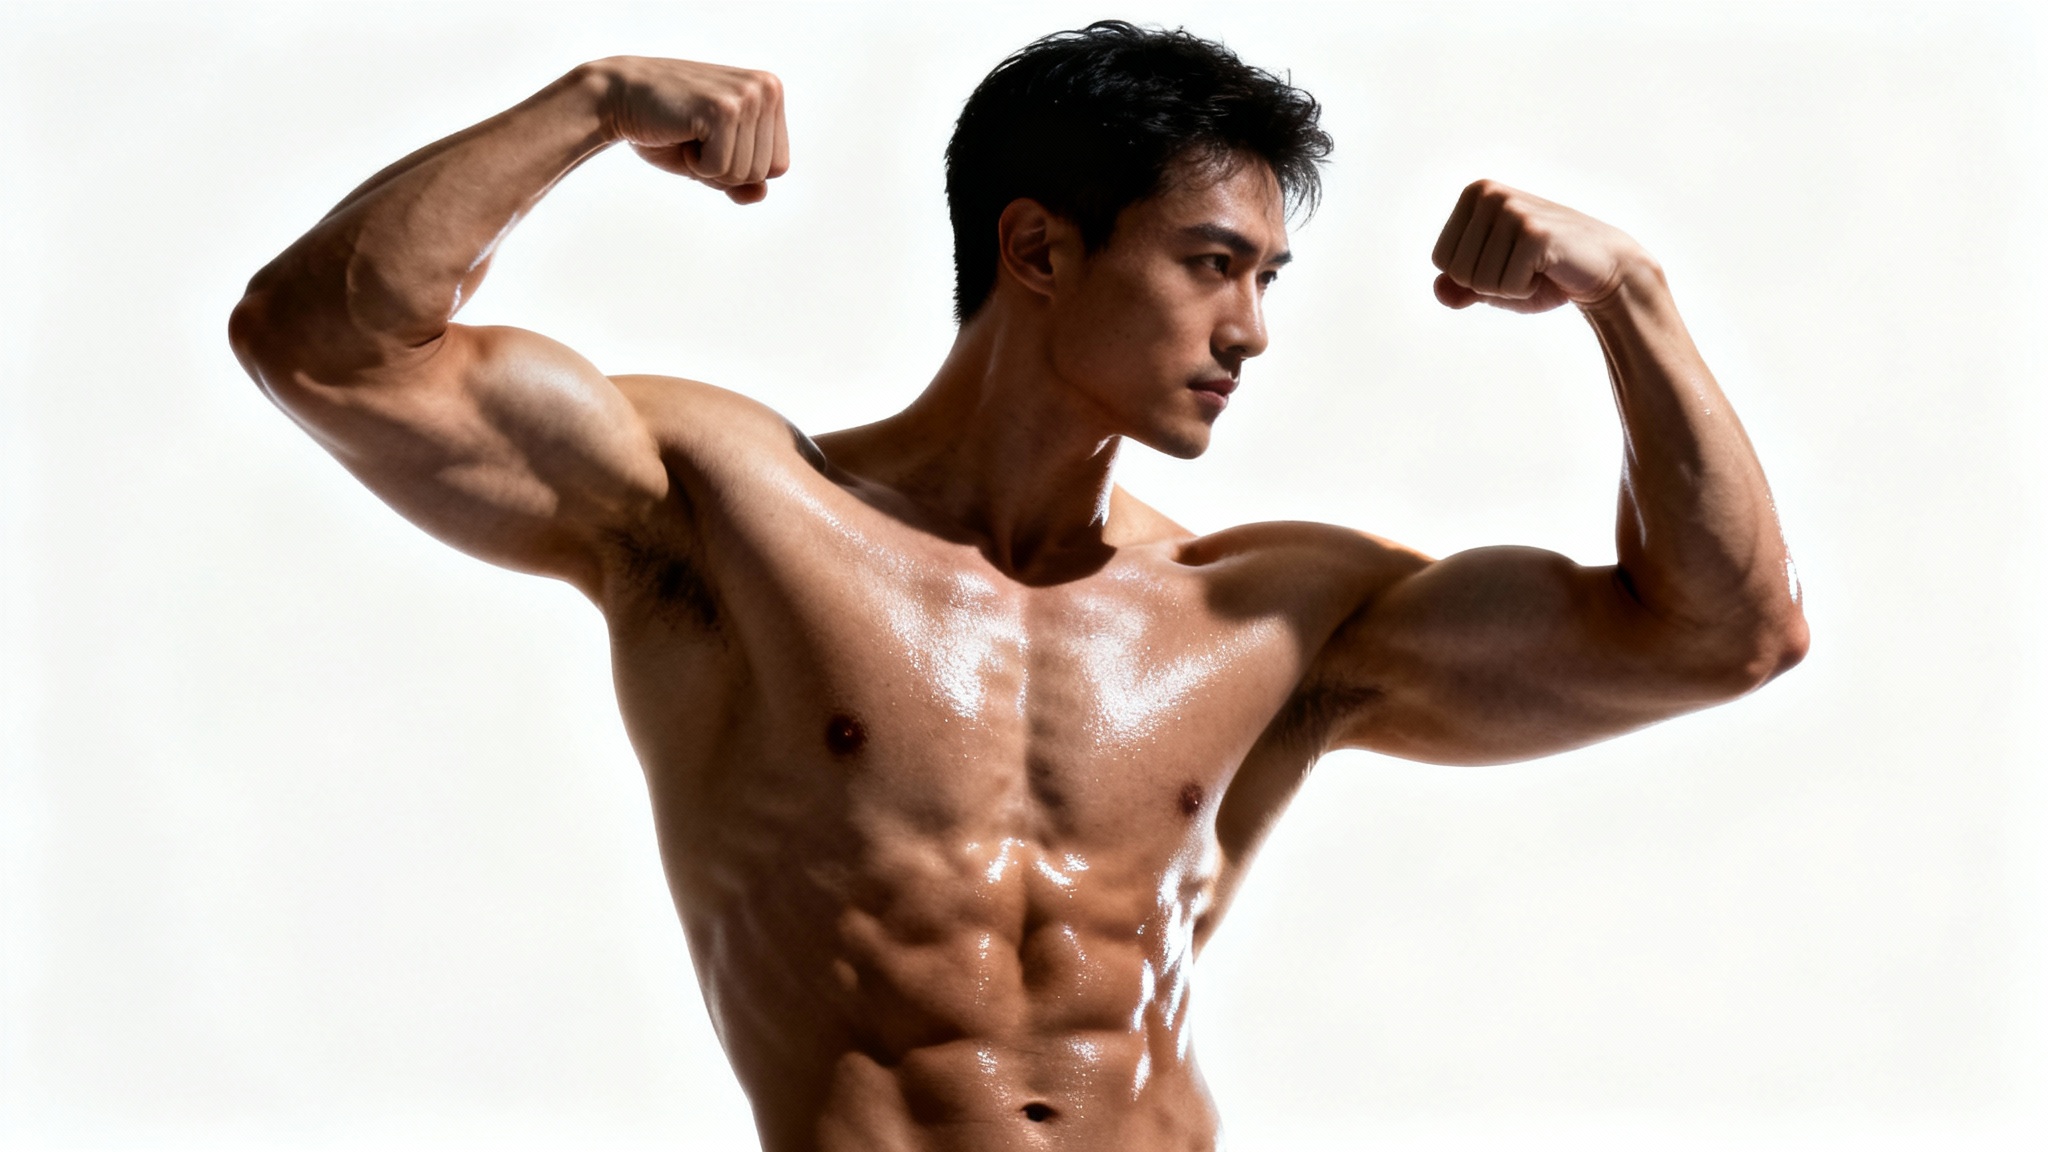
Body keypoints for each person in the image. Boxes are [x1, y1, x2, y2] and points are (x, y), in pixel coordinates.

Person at [227, 20, 1807, 1152]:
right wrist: (585, 104)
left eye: (1266, 277)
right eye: (1209, 263)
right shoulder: (729, 514)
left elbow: (1724, 638)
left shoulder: (1276, 614)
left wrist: (1634, 301)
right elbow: (325, 345)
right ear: (1040, 250)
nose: (1251, 329)